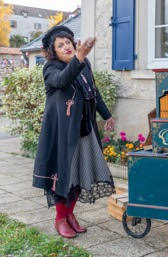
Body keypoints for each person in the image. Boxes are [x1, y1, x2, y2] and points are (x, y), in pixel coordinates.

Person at [32, 26, 115, 239]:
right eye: (60, 45)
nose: (66, 46)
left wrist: (106, 115)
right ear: (54, 51)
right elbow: (62, 80)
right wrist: (79, 56)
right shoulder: (51, 68)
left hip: (85, 129)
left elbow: (92, 91)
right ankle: (60, 219)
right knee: (64, 177)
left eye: (67, 42)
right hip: (63, 135)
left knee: (80, 174)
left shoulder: (83, 63)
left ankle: (70, 215)